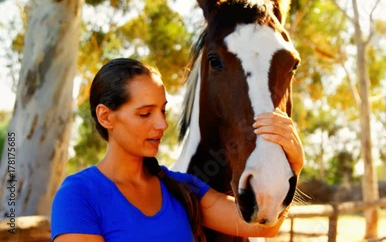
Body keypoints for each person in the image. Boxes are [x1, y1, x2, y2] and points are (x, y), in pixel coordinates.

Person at [51, 58, 304, 242]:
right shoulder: (79, 195)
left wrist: (293, 166)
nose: (162, 124)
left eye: (162, 110)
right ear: (106, 117)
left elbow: (263, 226)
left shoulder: (182, 189)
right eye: (145, 113)